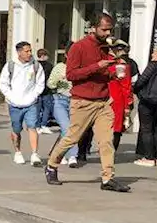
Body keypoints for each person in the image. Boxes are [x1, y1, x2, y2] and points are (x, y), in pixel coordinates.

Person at [44, 13, 130, 192]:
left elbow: (103, 74)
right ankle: (51, 165)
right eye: (104, 29)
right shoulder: (79, 47)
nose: (107, 33)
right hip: (82, 101)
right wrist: (97, 66)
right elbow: (71, 74)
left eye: (110, 29)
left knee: (106, 141)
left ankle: (108, 178)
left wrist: (113, 72)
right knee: (72, 138)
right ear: (93, 28)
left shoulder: (106, 47)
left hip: (103, 102)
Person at [0, 41, 47, 165]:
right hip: (14, 103)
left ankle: (35, 154)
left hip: (31, 102)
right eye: (27, 51)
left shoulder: (36, 65)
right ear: (19, 52)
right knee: (16, 129)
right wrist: (10, 97)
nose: (30, 53)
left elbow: (40, 83)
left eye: (30, 51)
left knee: (32, 126)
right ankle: (18, 152)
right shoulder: (10, 65)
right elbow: (3, 84)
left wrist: (34, 95)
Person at [46, 45, 79, 167]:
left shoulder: (80, 67)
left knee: (74, 129)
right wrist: (59, 80)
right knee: (67, 128)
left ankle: (62, 154)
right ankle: (70, 155)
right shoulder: (60, 67)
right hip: (60, 100)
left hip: (76, 101)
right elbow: (50, 84)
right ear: (66, 55)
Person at [107, 41, 135, 155]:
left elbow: (126, 86)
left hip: (113, 99)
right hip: (111, 98)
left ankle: (110, 152)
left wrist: (128, 103)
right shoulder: (118, 64)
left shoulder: (120, 65)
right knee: (114, 127)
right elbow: (126, 86)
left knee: (115, 128)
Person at [36, 48, 55, 133]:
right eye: (47, 56)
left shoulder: (34, 65)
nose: (48, 57)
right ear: (43, 56)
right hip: (47, 90)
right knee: (47, 109)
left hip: (36, 91)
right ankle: (43, 125)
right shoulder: (50, 66)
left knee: (37, 109)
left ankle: (37, 126)